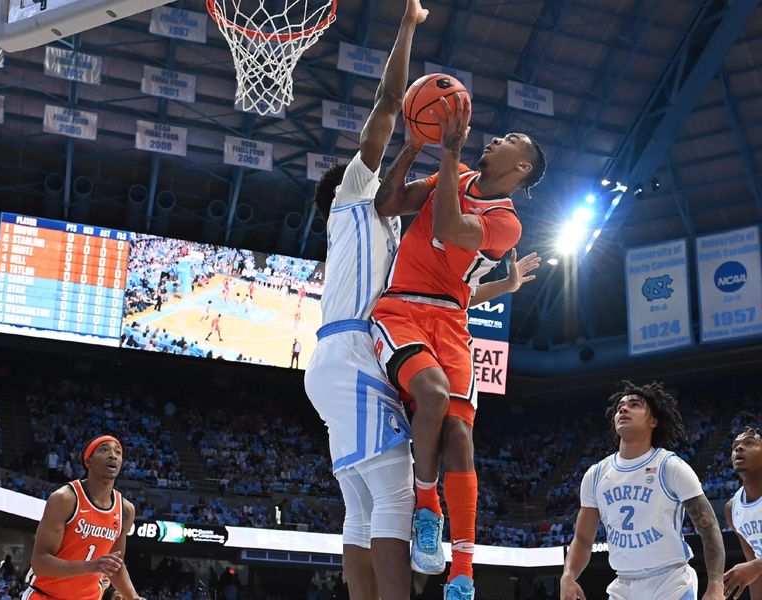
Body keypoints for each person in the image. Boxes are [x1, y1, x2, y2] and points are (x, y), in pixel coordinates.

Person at [303, 3, 540, 598]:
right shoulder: (353, 198)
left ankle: (453, 561)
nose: (375, 166)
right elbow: (387, 107)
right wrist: (407, 28)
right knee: (395, 497)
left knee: (362, 513)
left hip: (374, 350)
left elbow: (448, 285)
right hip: (358, 349)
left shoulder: (391, 234)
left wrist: (503, 287)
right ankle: (433, 538)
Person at [369, 90, 546, 597]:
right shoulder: (458, 173)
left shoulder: (507, 223)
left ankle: (463, 571)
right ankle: (428, 507)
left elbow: (450, 225)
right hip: (401, 306)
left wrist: (448, 153)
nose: (496, 139)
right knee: (431, 393)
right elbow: (388, 203)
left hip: (451, 323)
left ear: (522, 165)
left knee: (462, 439)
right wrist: (415, 144)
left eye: (510, 140)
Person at [560, 381, 725, 600]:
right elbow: (582, 539)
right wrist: (568, 576)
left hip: (670, 582)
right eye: (620, 407)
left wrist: (715, 585)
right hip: (623, 584)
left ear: (653, 421)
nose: (623, 409)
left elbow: (709, 528)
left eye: (634, 404)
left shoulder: (670, 466)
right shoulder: (596, 474)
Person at [22, 436, 144, 600]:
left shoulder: (125, 510)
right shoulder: (65, 499)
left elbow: (116, 565)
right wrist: (90, 566)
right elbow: (40, 564)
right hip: (46, 595)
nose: (113, 455)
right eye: (104, 450)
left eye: (118, 452)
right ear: (89, 461)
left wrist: (133, 597)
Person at [724, 427, 762, 600]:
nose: (738, 448)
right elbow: (753, 574)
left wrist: (757, 566)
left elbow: (754, 568)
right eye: (735, 446)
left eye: (749, 443)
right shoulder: (732, 509)